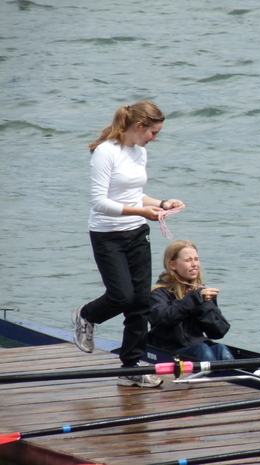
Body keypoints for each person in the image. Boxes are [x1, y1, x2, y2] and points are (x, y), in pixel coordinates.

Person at [72, 101, 184, 388]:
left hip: (136, 232)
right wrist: (140, 212)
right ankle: (86, 315)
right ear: (138, 127)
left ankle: (131, 367)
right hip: (107, 234)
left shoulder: (140, 152)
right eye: (153, 132)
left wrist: (160, 204)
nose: (154, 138)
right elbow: (100, 203)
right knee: (121, 296)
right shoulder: (105, 152)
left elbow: (136, 194)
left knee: (141, 303)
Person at [148, 240, 233, 361]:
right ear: (173, 265)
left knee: (221, 349)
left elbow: (218, 332)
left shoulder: (202, 292)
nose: (194, 264)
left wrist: (203, 304)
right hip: (170, 349)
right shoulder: (158, 293)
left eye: (196, 259)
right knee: (202, 350)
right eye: (188, 260)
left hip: (197, 346)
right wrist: (193, 300)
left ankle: (236, 377)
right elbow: (162, 319)